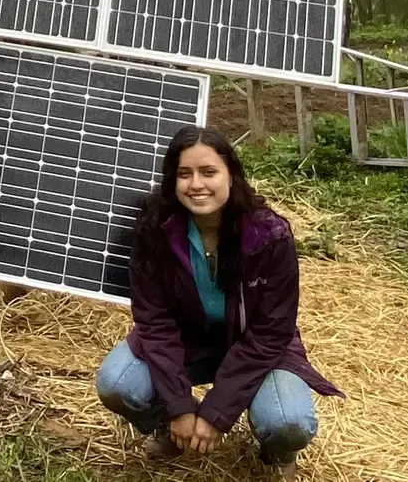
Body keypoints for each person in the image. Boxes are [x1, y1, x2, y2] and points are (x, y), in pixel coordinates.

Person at [95, 125, 340, 477]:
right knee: (116, 384)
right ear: (172, 180)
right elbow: (154, 322)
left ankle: (276, 450)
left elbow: (271, 333)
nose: (196, 184)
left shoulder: (269, 236)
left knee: (289, 423)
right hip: (189, 342)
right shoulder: (155, 230)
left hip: (257, 347)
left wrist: (216, 414)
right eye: (184, 174)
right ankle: (171, 429)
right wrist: (180, 409)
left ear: (231, 175)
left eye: (209, 172)